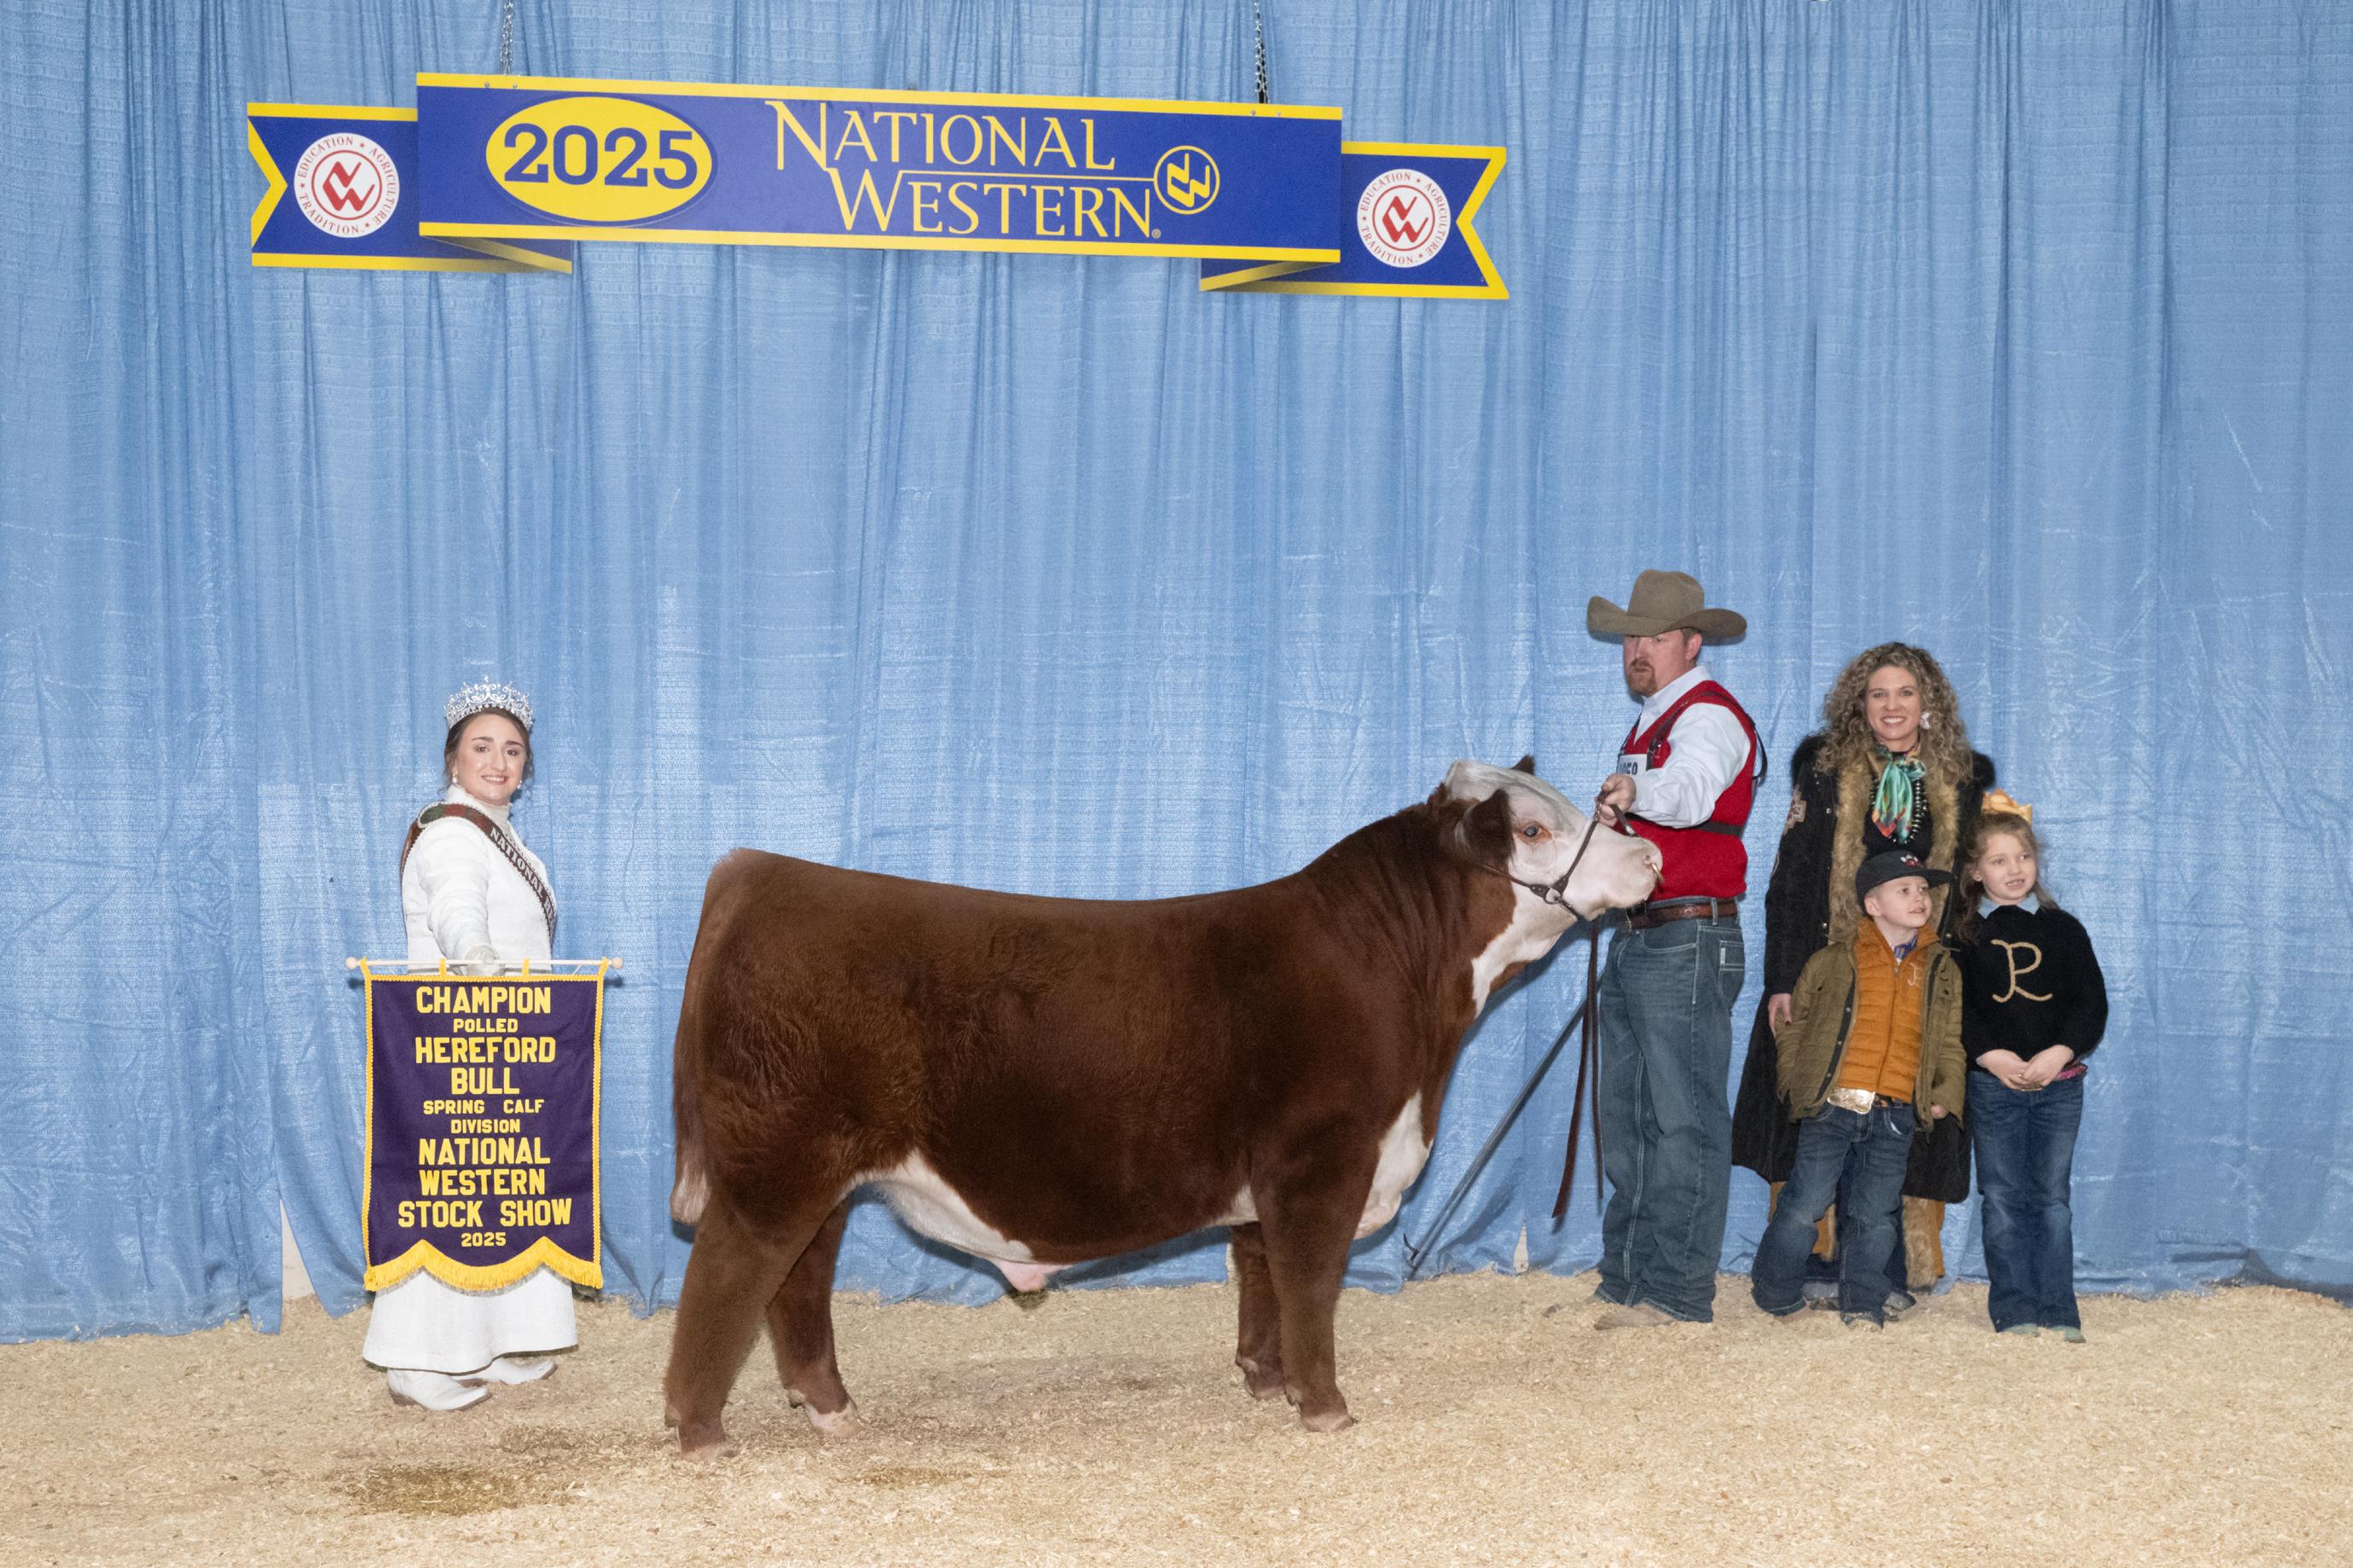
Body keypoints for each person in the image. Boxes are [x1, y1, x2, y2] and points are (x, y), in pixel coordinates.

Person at [1729, 643, 1995, 1311]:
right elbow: (1790, 880)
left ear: (1927, 704)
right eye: (1877, 694)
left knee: (1901, 1117)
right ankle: (1811, 1262)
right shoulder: (1823, 771)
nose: (1891, 706)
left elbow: (1968, 894)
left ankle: (1880, 1272)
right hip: (1833, 979)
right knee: (1822, 1114)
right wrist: (1782, 979)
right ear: (1859, 703)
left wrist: (1958, 987)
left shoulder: (1961, 781)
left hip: (1915, 979)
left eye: (1904, 693)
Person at [362, 680, 576, 1410]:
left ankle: (492, 1344)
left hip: (506, 1037)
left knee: (501, 1193)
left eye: (512, 750)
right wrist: (476, 953)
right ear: (454, 760)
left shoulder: (508, 840)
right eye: (482, 747)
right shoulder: (452, 833)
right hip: (455, 1035)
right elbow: (456, 906)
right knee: (446, 1195)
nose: (498, 760)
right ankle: (414, 1363)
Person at [1585, 570, 1759, 1328]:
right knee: (1627, 1115)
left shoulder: (1709, 716)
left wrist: (1637, 794)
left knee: (1682, 1118)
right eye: (1631, 637)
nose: (1638, 650)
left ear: (1691, 642)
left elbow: (1688, 792)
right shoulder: (1651, 724)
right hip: (1642, 933)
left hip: (1687, 935)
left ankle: (1678, 1293)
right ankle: (1625, 1280)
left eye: (1654, 637)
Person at [1752, 853, 1967, 1328]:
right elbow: (1795, 1024)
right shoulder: (1832, 960)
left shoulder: (1942, 970)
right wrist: (1796, 1083)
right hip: (1832, 1107)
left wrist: (1944, 1093)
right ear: (1872, 904)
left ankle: (1864, 1303)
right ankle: (1775, 1292)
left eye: (1923, 890)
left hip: (1896, 1114)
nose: (1919, 898)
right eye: (1904, 890)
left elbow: (1950, 1041)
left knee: (1876, 1215)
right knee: (1805, 1204)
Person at [1956, 805, 2107, 1340]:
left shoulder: (2064, 929)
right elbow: (1956, 1009)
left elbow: (2091, 1004)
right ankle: (2014, 1305)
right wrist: (1989, 1056)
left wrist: (2059, 1052)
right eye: (1999, 860)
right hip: (1993, 1088)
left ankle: (2059, 1307)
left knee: (2052, 1199)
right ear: (1976, 871)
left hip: (2059, 1089)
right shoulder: (1962, 936)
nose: (2015, 869)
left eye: (2023, 856)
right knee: (2001, 1197)